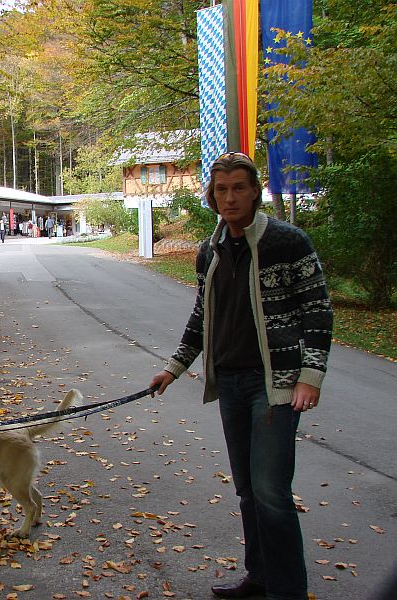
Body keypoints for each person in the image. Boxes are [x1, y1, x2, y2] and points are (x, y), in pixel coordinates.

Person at [149, 152, 333, 600]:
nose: (229, 197)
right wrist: (174, 368)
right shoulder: (209, 251)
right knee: (249, 491)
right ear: (211, 196)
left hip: (276, 384)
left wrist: (310, 376)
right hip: (229, 382)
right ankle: (260, 578)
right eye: (220, 189)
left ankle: (288, 591)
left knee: (272, 492)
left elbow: (317, 311)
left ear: (254, 192)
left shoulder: (287, 242)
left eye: (237, 187)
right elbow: (202, 316)